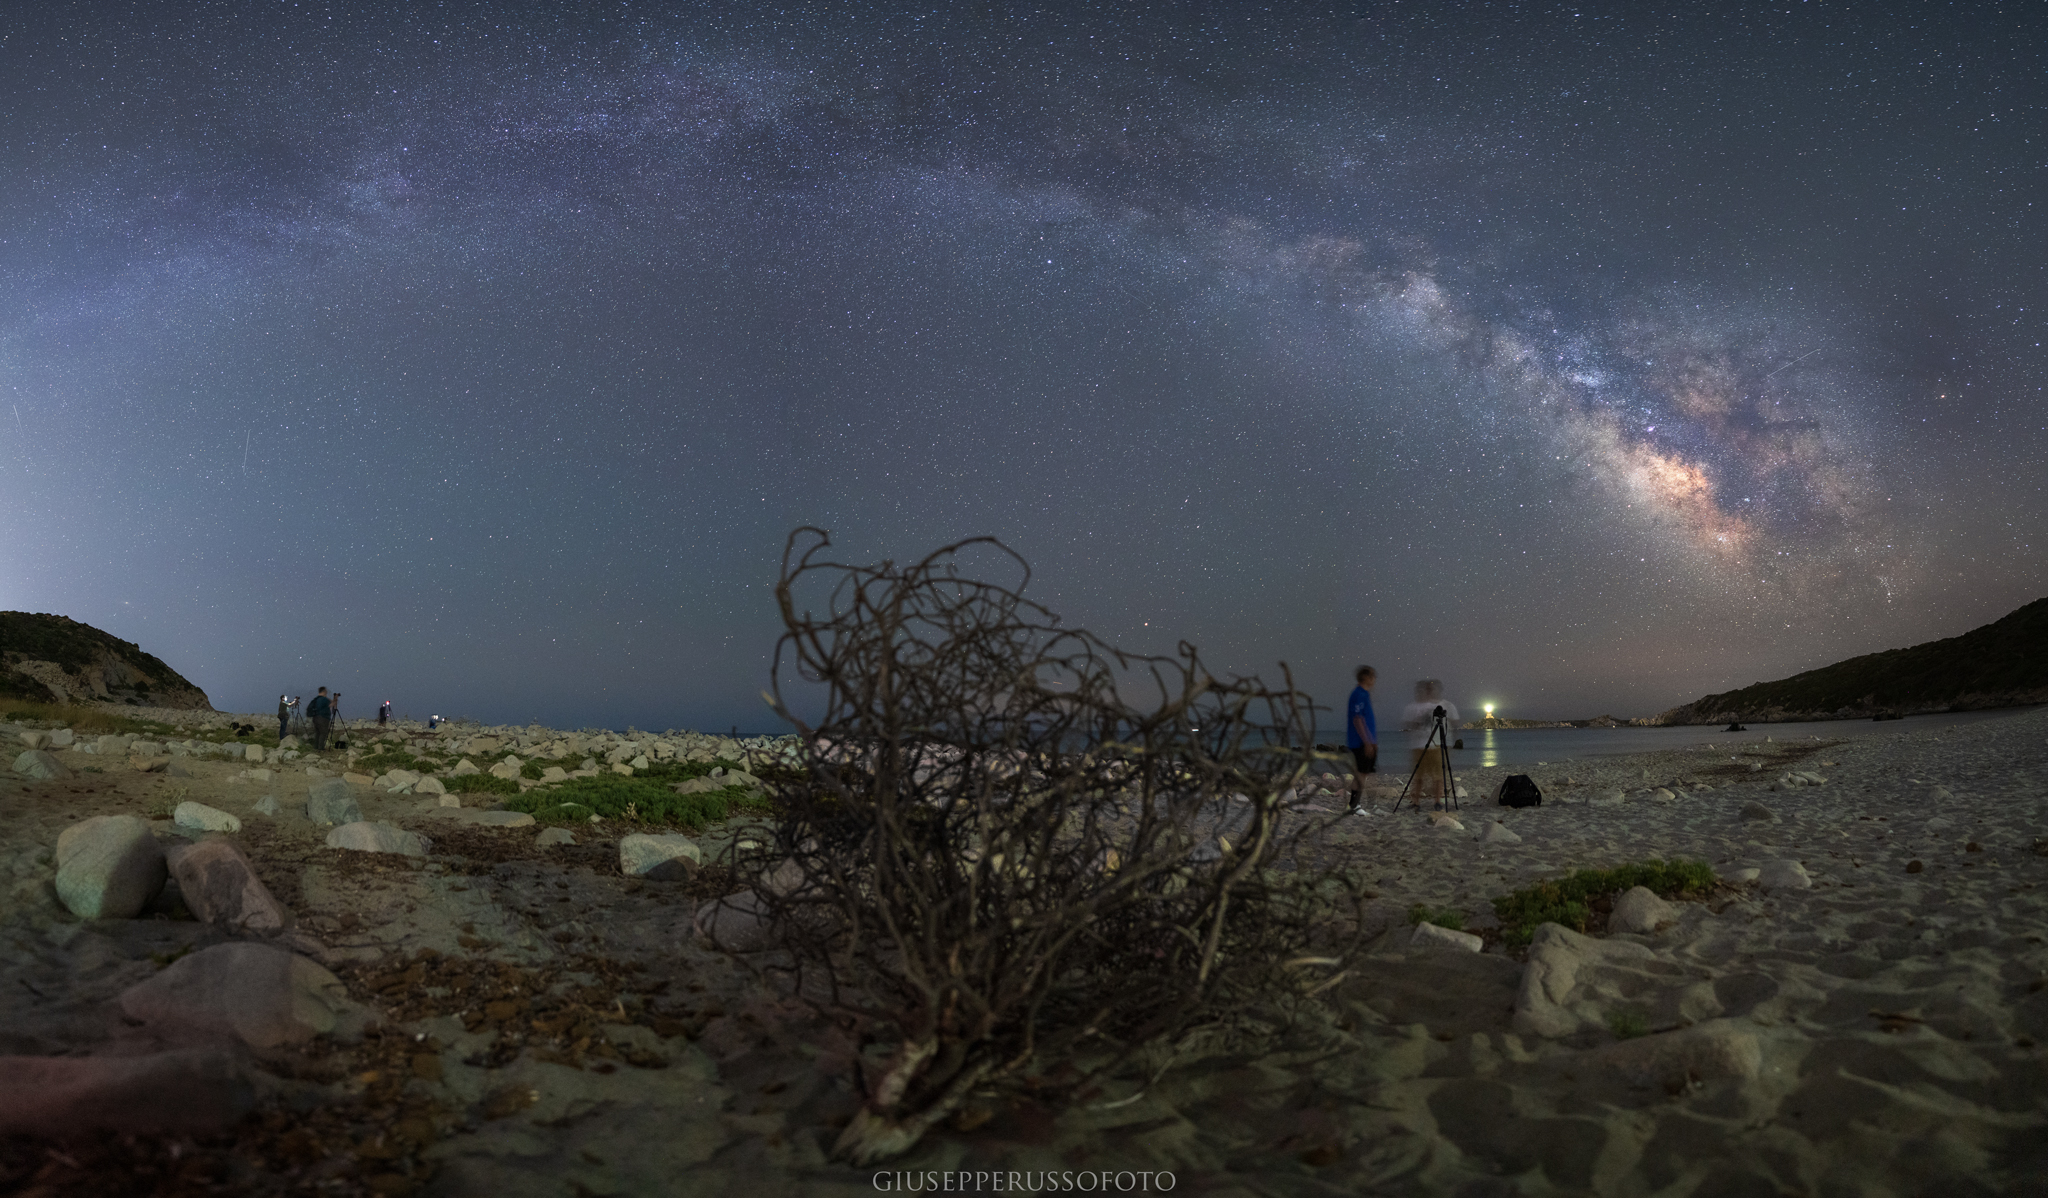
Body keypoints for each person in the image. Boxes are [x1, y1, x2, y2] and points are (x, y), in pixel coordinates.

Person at [1400, 679, 1461, 811]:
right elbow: (1406, 725)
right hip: (1418, 745)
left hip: (1439, 745)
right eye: (1426, 689)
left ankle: (1437, 801)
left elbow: (1454, 723)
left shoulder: (1447, 705)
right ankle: (1415, 802)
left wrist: (1452, 743)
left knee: (1438, 775)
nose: (1429, 691)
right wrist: (1418, 723)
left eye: (1432, 688)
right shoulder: (1412, 707)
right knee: (1418, 775)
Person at [1345, 665, 1378, 814]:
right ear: (1366, 678)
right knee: (1360, 774)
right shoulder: (1358, 694)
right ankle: (1354, 806)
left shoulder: (1364, 694)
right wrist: (1366, 742)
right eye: (1372, 676)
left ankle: (1357, 805)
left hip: (1366, 741)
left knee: (1364, 773)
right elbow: (1357, 719)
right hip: (1359, 742)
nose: (1374, 680)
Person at [306, 686, 333, 752]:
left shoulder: (316, 699)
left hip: (315, 717)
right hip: (323, 718)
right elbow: (332, 704)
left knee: (318, 732)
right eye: (326, 691)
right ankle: (320, 748)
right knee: (323, 733)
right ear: (324, 691)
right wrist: (335, 698)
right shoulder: (324, 700)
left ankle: (316, 747)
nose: (326, 693)